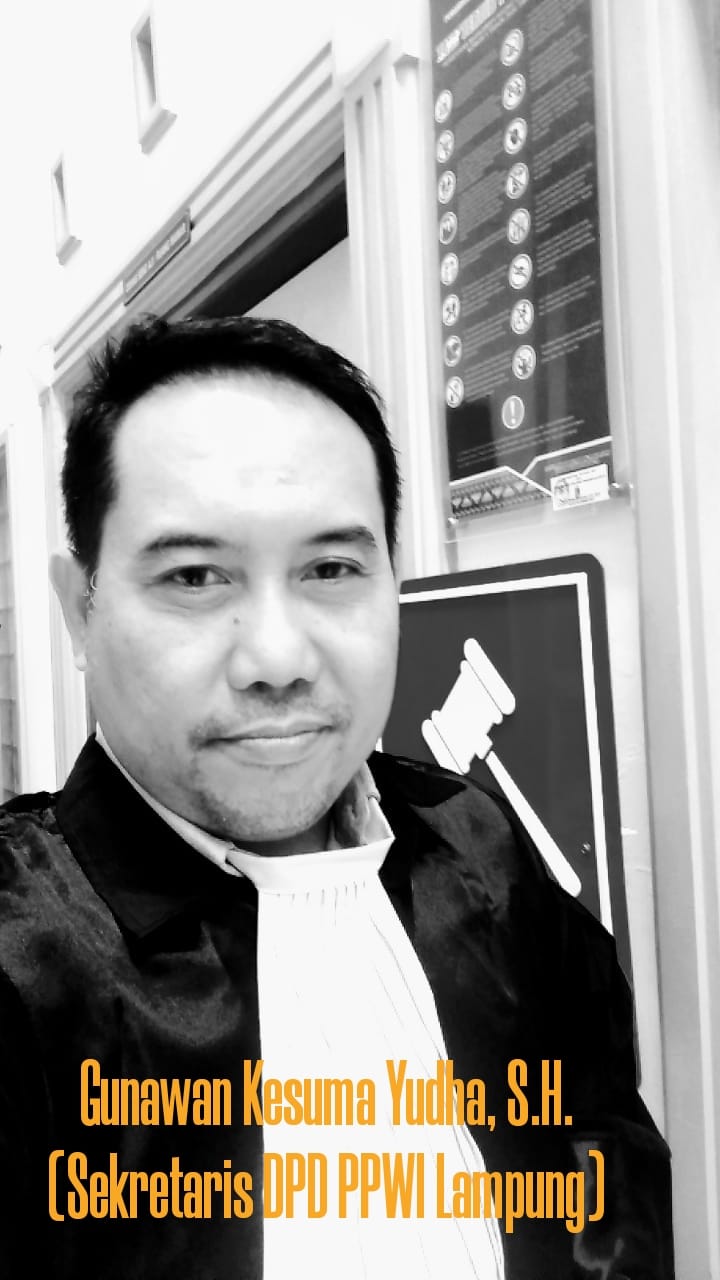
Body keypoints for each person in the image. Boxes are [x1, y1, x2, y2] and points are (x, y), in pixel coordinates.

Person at [0, 315, 671, 1278]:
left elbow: (605, 1160)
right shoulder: (20, 953)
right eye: (194, 575)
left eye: (330, 569)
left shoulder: (476, 846)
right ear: (81, 609)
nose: (278, 658)